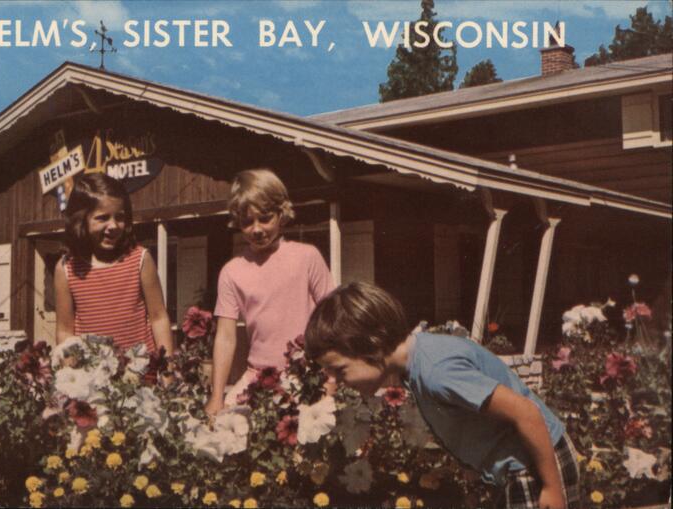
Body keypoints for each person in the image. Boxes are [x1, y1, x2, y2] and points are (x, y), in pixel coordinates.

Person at [304, 282, 580, 509]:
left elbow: (526, 412)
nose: (336, 382)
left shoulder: (437, 371)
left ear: (370, 345)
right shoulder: (418, 359)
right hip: (519, 465)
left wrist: (551, 488)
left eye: (339, 370)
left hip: (533, 466)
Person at [205, 168, 335, 415]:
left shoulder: (306, 257)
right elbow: (225, 337)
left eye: (265, 218)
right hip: (258, 376)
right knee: (222, 429)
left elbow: (333, 318)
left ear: (282, 214)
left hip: (305, 375)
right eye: (247, 221)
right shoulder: (232, 271)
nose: (256, 229)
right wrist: (216, 395)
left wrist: (332, 377)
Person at [54, 173, 174, 359]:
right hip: (91, 376)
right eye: (102, 218)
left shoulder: (140, 259)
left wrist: (168, 367)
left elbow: (159, 317)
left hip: (140, 373)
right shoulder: (66, 269)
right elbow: (64, 330)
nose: (113, 225)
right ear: (81, 221)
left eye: (119, 217)